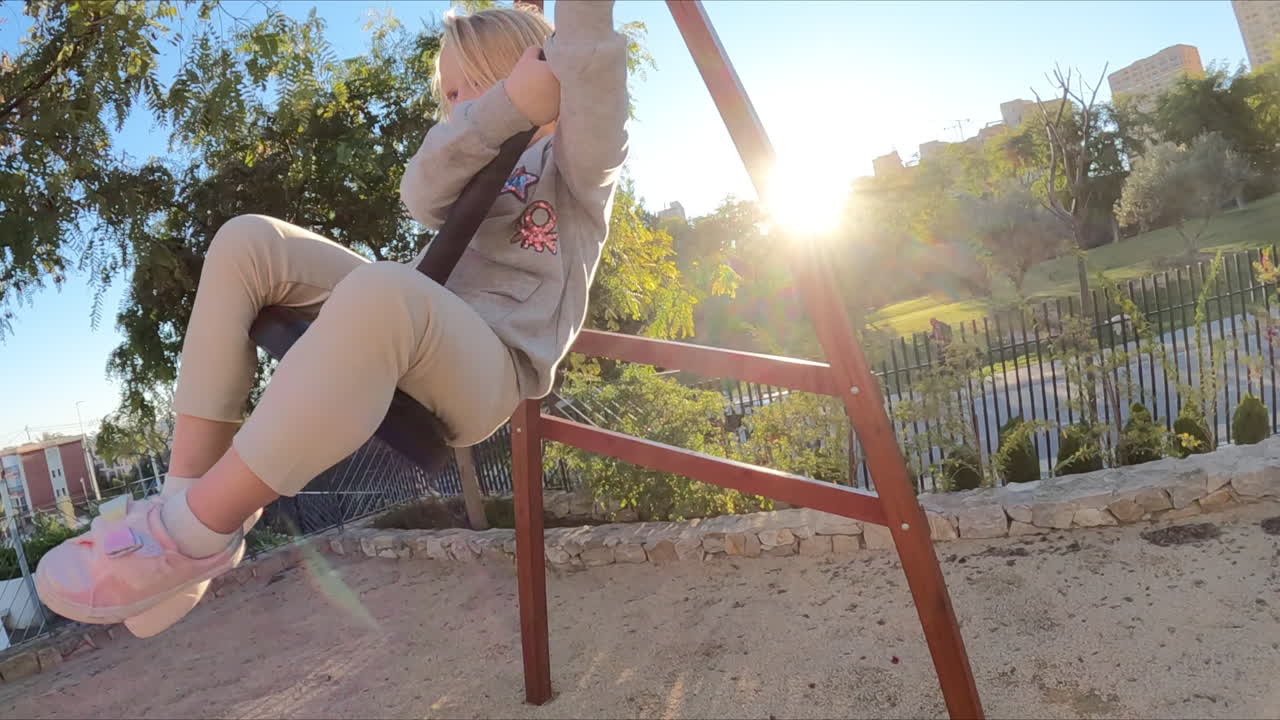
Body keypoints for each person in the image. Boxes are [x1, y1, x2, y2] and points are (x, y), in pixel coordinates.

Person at [34, 0, 628, 637]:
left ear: (537, 65)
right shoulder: (470, 147)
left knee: (385, 289)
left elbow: (589, 59)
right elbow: (419, 195)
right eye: (450, 94)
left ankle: (192, 531)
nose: (457, 107)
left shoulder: (578, 162)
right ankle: (184, 508)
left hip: (488, 368)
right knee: (248, 241)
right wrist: (506, 104)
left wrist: (555, 72)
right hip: (411, 313)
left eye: (474, 84)